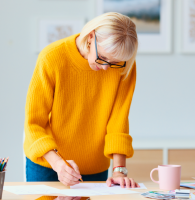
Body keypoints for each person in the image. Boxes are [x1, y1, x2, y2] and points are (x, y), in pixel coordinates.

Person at [24, 12, 139, 188]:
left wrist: (119, 170)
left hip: (95, 168)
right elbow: (34, 123)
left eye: (114, 62)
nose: (106, 67)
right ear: (91, 37)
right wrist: (58, 164)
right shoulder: (52, 58)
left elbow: (118, 120)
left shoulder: (123, 66)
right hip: (48, 165)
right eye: (103, 58)